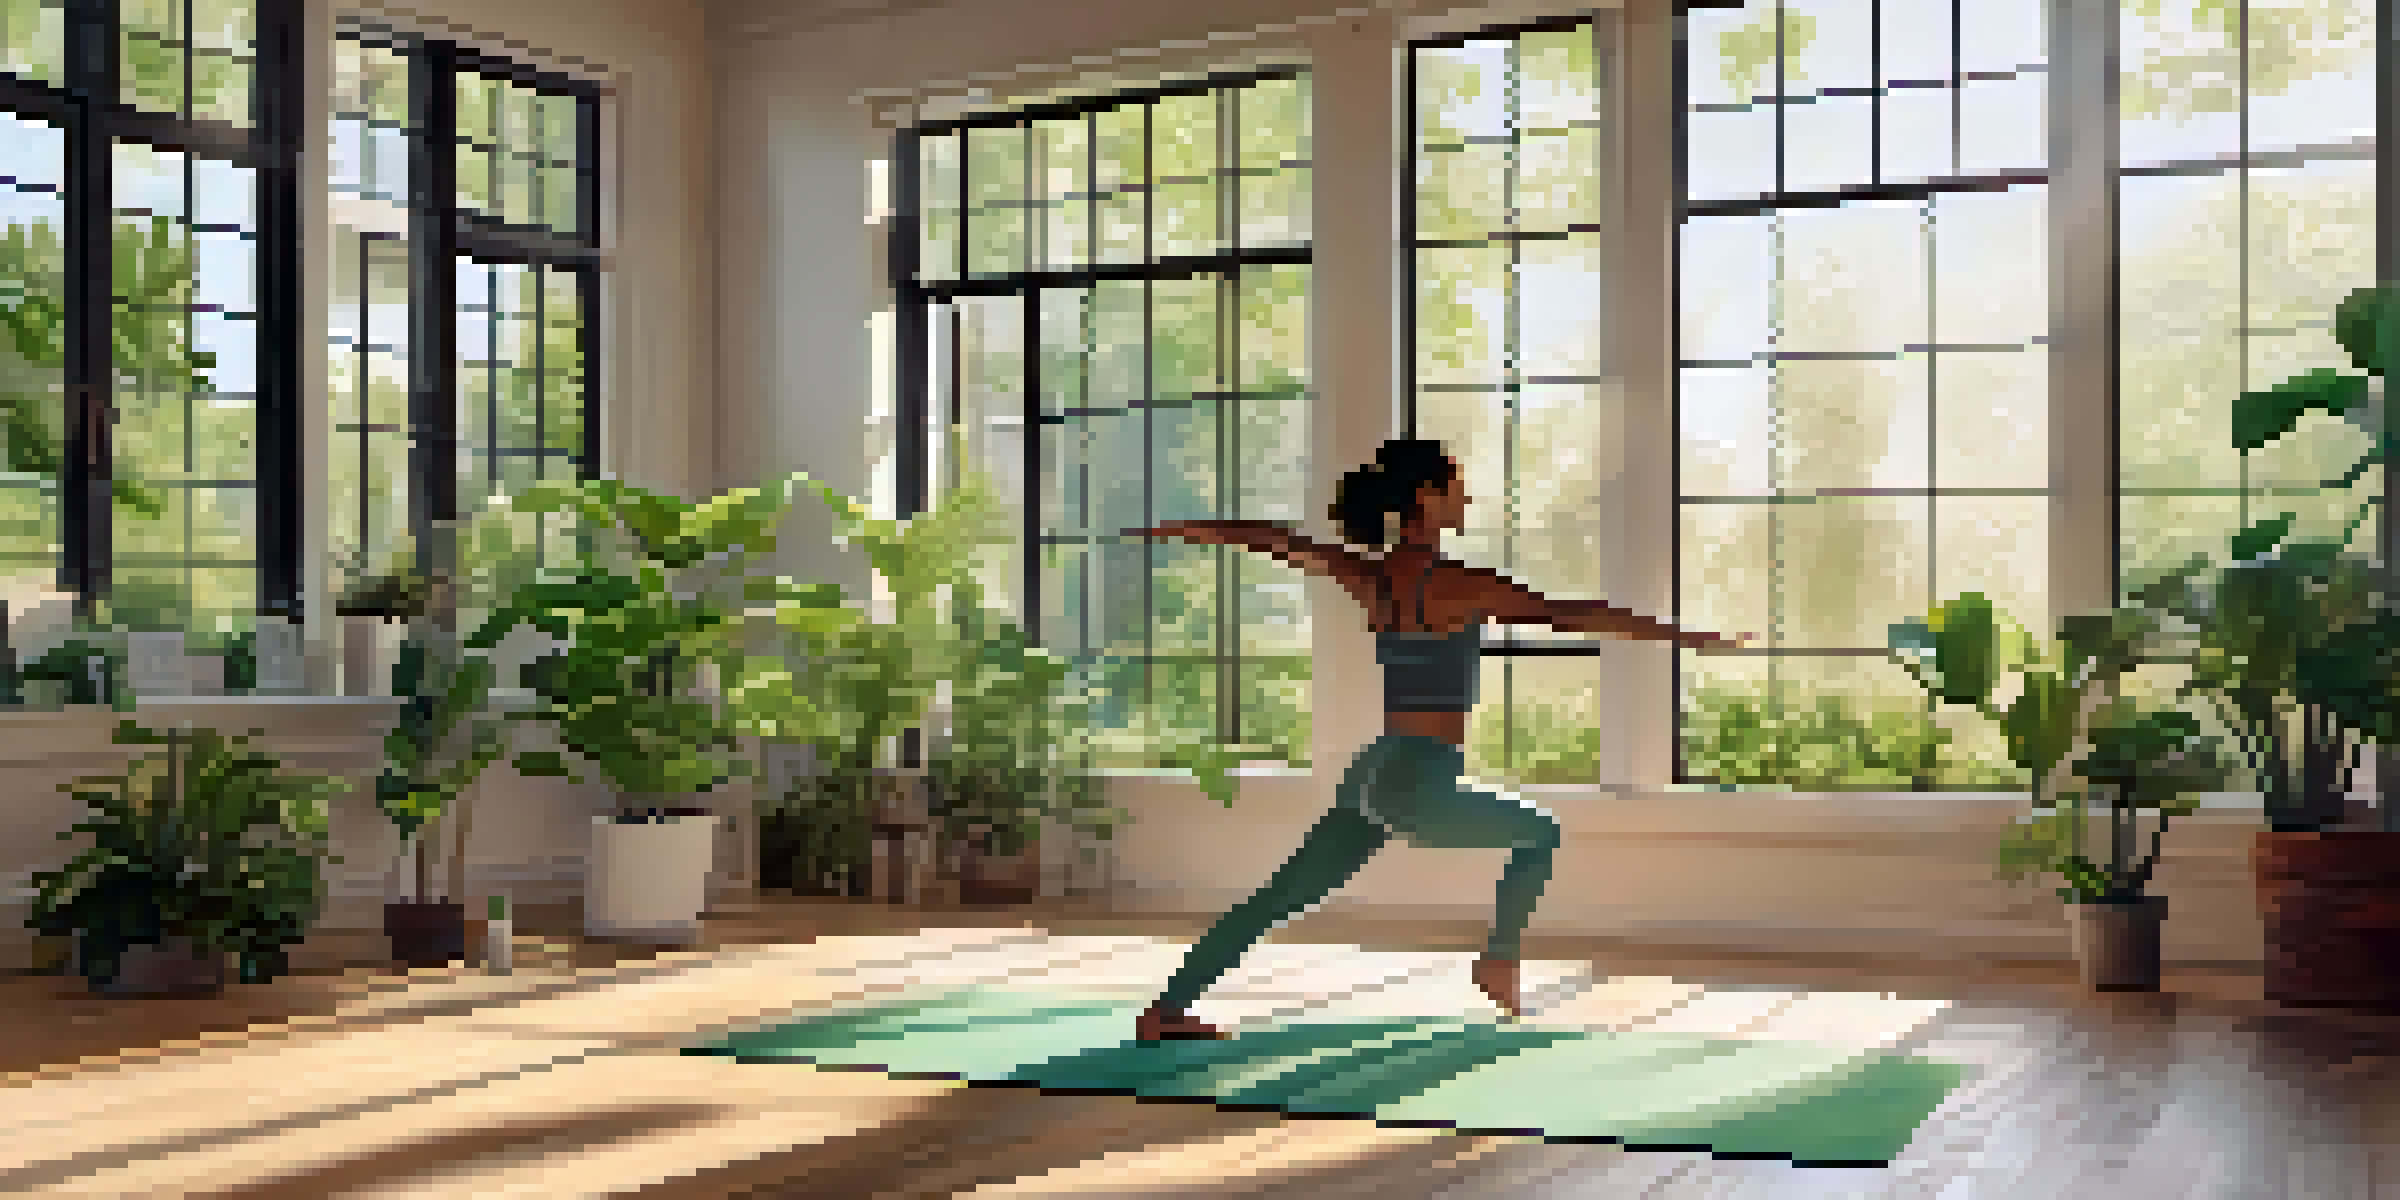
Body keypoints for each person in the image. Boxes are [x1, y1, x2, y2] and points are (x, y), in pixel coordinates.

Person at [1123, 437, 1750, 1042]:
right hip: (1415, 775)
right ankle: (1499, 960)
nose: (1463, 492)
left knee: (1278, 897)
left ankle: (1168, 1008)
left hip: (1373, 770)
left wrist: (1188, 529)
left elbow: (1279, 542)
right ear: (1426, 495)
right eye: (1453, 482)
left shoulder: (1368, 576)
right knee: (1540, 834)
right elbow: (1572, 615)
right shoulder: (1459, 584)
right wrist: (1685, 638)